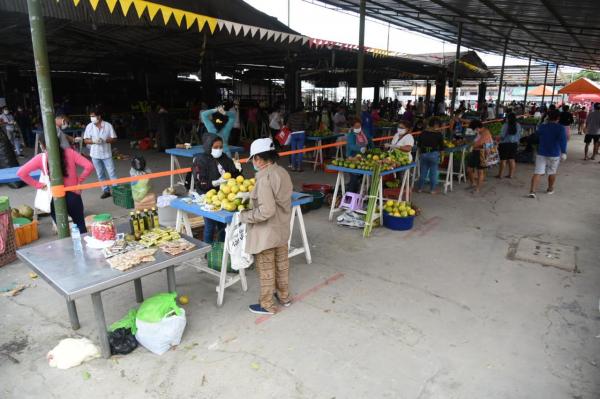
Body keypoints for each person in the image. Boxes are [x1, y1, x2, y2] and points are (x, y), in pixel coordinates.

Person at [239, 137, 293, 315]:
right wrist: (249, 194)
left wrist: (245, 216)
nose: (253, 162)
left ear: (258, 159)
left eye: (253, 159)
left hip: (267, 232)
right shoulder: (282, 172)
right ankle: (284, 297)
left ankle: (267, 305)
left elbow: (267, 210)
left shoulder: (264, 179)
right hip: (282, 228)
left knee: (266, 268)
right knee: (282, 265)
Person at [17, 136, 93, 233]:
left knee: (63, 230)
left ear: (43, 146)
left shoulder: (41, 158)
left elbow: (21, 173)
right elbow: (89, 166)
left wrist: (39, 185)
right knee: (80, 225)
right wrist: (79, 181)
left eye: (40, 144)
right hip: (73, 195)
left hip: (54, 197)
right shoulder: (70, 152)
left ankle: (68, 246)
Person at [192, 134, 242, 244]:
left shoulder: (224, 158)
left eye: (220, 147)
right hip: (207, 197)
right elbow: (200, 182)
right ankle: (207, 252)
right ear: (208, 146)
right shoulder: (201, 160)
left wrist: (238, 169)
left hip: (225, 196)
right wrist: (215, 182)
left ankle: (223, 249)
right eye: (215, 147)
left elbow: (234, 176)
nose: (218, 150)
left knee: (223, 226)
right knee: (210, 225)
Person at [528, 110, 567, 198]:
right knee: (552, 172)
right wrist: (564, 152)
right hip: (554, 153)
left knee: (537, 172)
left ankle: (532, 191)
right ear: (558, 118)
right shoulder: (561, 128)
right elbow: (563, 141)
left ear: (548, 117)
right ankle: (550, 189)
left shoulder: (542, 126)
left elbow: (536, 136)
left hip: (541, 152)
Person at [83, 109, 118, 199]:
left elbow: (114, 139)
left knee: (112, 172)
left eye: (93, 116)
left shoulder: (108, 125)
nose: (92, 118)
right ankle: (106, 190)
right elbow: (85, 140)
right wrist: (93, 141)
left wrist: (105, 140)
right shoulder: (89, 126)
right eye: (91, 116)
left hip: (107, 154)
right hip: (95, 154)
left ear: (99, 116)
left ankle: (116, 190)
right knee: (100, 173)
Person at [416, 117, 444, 194]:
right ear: (436, 125)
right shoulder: (439, 134)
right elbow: (441, 148)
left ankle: (420, 189)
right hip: (434, 155)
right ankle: (432, 190)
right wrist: (442, 157)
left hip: (423, 154)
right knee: (433, 173)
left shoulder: (423, 133)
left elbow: (418, 145)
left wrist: (419, 155)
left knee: (423, 172)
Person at [466, 120, 493, 193]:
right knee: (469, 169)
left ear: (477, 127)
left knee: (480, 172)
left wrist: (470, 145)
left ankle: (477, 189)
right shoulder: (479, 132)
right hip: (475, 152)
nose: (474, 131)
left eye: (474, 129)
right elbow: (474, 142)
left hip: (482, 153)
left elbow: (478, 144)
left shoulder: (485, 133)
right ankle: (473, 183)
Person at [345, 120, 369, 193]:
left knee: (360, 177)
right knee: (354, 178)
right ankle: (349, 196)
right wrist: (360, 148)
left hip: (361, 158)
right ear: (352, 127)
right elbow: (351, 146)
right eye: (356, 127)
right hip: (352, 158)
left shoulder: (362, 134)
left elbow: (367, 142)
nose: (358, 128)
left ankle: (357, 194)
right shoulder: (351, 135)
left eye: (359, 126)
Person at [496, 113, 522, 179]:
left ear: (508, 118)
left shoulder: (506, 125)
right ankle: (511, 175)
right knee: (512, 159)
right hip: (514, 144)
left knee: (503, 160)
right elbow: (519, 135)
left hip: (504, 144)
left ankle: (500, 175)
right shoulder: (518, 125)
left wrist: (495, 138)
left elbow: (502, 136)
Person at [285, 106, 307, 172]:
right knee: (300, 151)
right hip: (301, 133)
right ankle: (299, 168)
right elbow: (306, 125)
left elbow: (287, 126)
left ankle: (293, 167)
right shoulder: (303, 116)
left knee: (293, 151)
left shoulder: (291, 116)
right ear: (301, 111)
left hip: (293, 134)